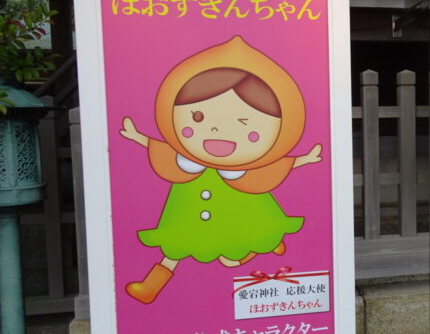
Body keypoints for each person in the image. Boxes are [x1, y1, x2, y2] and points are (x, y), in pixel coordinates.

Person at [120, 36, 321, 304]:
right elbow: (162, 149)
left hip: (242, 201)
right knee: (176, 244)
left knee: (230, 257)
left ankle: (262, 243)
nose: (217, 131)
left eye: (244, 124)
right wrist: (136, 136)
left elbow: (277, 165)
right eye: (198, 117)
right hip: (188, 206)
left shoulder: (247, 170)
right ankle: (149, 287)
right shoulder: (185, 160)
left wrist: (305, 158)